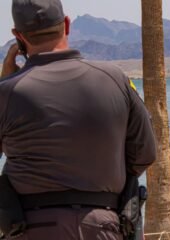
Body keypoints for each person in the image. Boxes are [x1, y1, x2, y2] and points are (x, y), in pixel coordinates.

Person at [0, 0, 156, 239]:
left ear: (18, 36)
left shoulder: (6, 92)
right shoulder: (114, 79)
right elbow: (145, 154)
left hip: (30, 228)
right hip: (104, 225)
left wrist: (6, 82)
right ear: (66, 24)